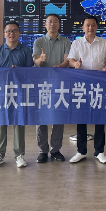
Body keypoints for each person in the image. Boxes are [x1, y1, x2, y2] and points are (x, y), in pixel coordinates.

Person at [0, 21, 35, 168]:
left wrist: (19, 70)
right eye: (8, 31)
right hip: (2, 91)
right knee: (1, 122)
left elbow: (30, 72)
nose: (11, 33)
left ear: (19, 33)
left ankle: (19, 155)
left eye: (14, 31)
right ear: (4, 34)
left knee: (18, 122)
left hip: (19, 91)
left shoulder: (25, 50)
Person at [67, 16, 106, 163]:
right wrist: (75, 64)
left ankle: (99, 151)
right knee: (81, 118)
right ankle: (81, 151)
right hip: (82, 85)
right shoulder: (76, 43)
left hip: (99, 85)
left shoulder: (104, 43)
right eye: (87, 25)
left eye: (93, 25)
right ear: (83, 27)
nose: (90, 28)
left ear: (97, 27)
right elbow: (71, 60)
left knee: (100, 119)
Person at [32, 13, 71, 163]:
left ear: (59, 24)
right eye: (50, 21)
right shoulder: (39, 41)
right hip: (42, 84)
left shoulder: (66, 41)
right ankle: (43, 150)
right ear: (45, 24)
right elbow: (36, 62)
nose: (52, 24)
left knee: (58, 117)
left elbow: (67, 61)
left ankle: (55, 150)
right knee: (41, 118)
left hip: (60, 84)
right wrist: (40, 60)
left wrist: (59, 66)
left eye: (55, 22)